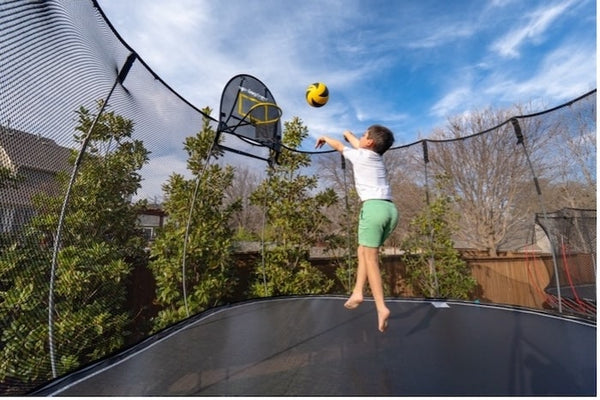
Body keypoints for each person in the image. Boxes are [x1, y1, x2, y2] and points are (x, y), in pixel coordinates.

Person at [315, 125, 398, 332]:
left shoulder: (360, 156)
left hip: (373, 209)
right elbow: (354, 143)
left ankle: (381, 307)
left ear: (369, 142)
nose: (360, 138)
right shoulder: (375, 158)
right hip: (390, 210)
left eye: (364, 135)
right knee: (362, 250)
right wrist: (349, 133)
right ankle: (358, 292)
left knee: (370, 259)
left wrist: (326, 136)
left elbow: (340, 146)